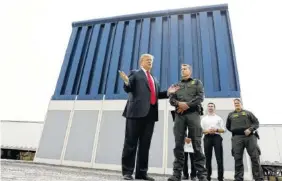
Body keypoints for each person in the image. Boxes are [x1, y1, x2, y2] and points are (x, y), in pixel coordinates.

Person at [119, 53, 179, 181]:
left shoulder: (154, 79)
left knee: (145, 145)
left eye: (151, 60)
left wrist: (168, 92)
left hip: (150, 115)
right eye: (147, 60)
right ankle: (127, 172)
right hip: (135, 113)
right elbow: (129, 88)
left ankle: (142, 173)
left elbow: (156, 95)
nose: (150, 62)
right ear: (141, 61)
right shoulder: (135, 73)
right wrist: (126, 81)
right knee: (131, 143)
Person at [168, 64, 208, 181]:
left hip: (193, 114)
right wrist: (178, 104)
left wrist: (187, 105)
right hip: (179, 115)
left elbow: (200, 97)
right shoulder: (177, 85)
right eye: (181, 69)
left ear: (190, 70)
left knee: (196, 143)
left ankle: (202, 175)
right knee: (178, 145)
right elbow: (171, 99)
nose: (183, 70)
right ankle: (176, 174)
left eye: (185, 68)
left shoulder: (197, 83)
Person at [226, 98, 264, 181]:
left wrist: (250, 129)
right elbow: (228, 126)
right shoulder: (230, 115)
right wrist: (237, 131)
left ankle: (259, 178)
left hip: (250, 137)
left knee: (254, 157)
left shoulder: (248, 113)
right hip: (237, 138)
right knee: (237, 158)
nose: (237, 104)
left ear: (241, 104)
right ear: (234, 105)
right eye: (235, 103)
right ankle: (238, 178)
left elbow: (256, 123)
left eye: (238, 103)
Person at [201, 102, 225, 181]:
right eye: (209, 106)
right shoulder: (204, 119)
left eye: (212, 106)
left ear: (214, 108)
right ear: (207, 108)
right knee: (207, 159)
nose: (210, 107)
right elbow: (201, 131)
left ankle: (220, 178)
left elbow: (223, 130)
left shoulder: (218, 118)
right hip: (207, 137)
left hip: (217, 137)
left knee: (219, 158)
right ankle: (208, 177)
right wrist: (208, 131)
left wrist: (216, 130)